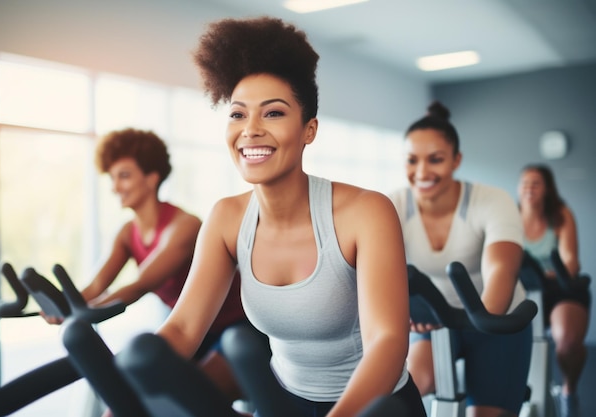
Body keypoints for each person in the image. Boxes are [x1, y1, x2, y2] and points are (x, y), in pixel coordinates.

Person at [156, 16, 426, 417]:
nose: (250, 130)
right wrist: (124, 388)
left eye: (273, 113)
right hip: (283, 404)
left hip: (373, 406)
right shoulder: (226, 218)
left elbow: (387, 342)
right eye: (237, 114)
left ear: (309, 130)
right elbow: (182, 329)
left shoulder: (365, 212)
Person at [44, 127, 246, 401]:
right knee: (133, 400)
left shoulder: (184, 226)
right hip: (189, 331)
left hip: (235, 328)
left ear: (151, 179)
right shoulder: (128, 232)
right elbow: (97, 285)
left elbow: (141, 284)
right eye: (113, 178)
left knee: (183, 401)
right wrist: (63, 307)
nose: (115, 187)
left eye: (124, 176)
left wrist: (82, 310)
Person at [388, 101, 532, 417]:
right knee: (410, 386)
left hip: (496, 320)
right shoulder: (392, 205)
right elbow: (376, 272)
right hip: (434, 321)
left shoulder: (491, 201)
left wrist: (486, 317)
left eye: (435, 160)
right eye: (412, 160)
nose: (422, 172)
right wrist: (407, 312)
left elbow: (501, 268)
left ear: (457, 160)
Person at [518, 163, 591, 417]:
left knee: (568, 342)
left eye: (535, 183)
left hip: (561, 287)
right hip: (525, 289)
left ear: (547, 189)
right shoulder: (510, 217)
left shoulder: (560, 214)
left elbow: (570, 261)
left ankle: (568, 390)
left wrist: (542, 272)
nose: (529, 188)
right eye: (525, 183)